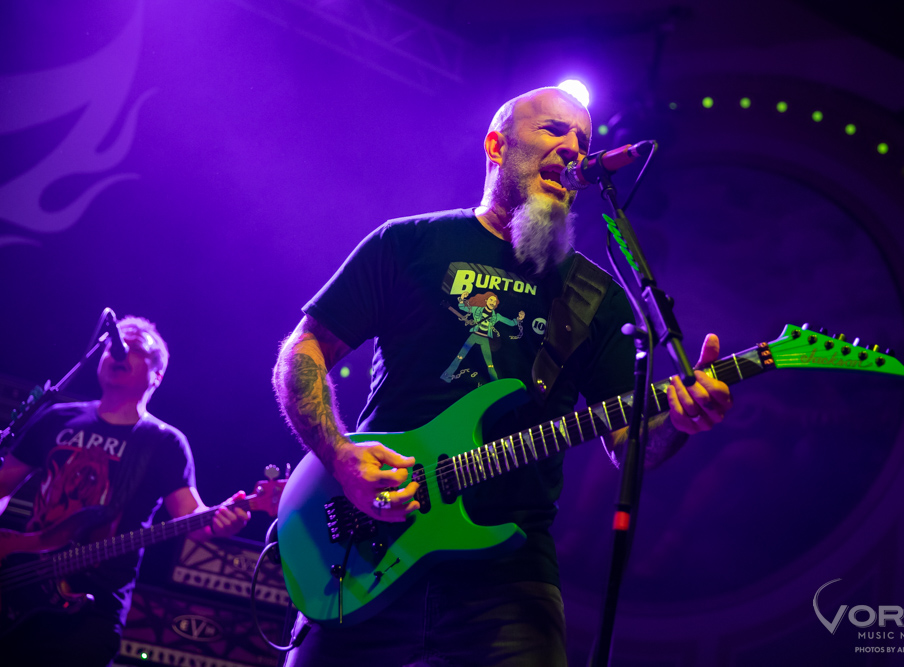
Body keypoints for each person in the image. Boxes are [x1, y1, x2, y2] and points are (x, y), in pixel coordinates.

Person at [271, 87, 733, 666]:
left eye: (583, 142)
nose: (572, 149)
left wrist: (680, 422)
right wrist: (340, 454)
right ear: (497, 146)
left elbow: (628, 443)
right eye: (553, 131)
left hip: (509, 578)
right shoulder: (410, 242)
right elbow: (306, 347)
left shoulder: (596, 295)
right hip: (368, 535)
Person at [0, 316, 250, 667]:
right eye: (113, 346)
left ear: (156, 376)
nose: (120, 352)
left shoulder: (165, 443)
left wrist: (221, 522)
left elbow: (191, 517)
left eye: (136, 350)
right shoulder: (57, 418)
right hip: (16, 582)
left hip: (92, 608)